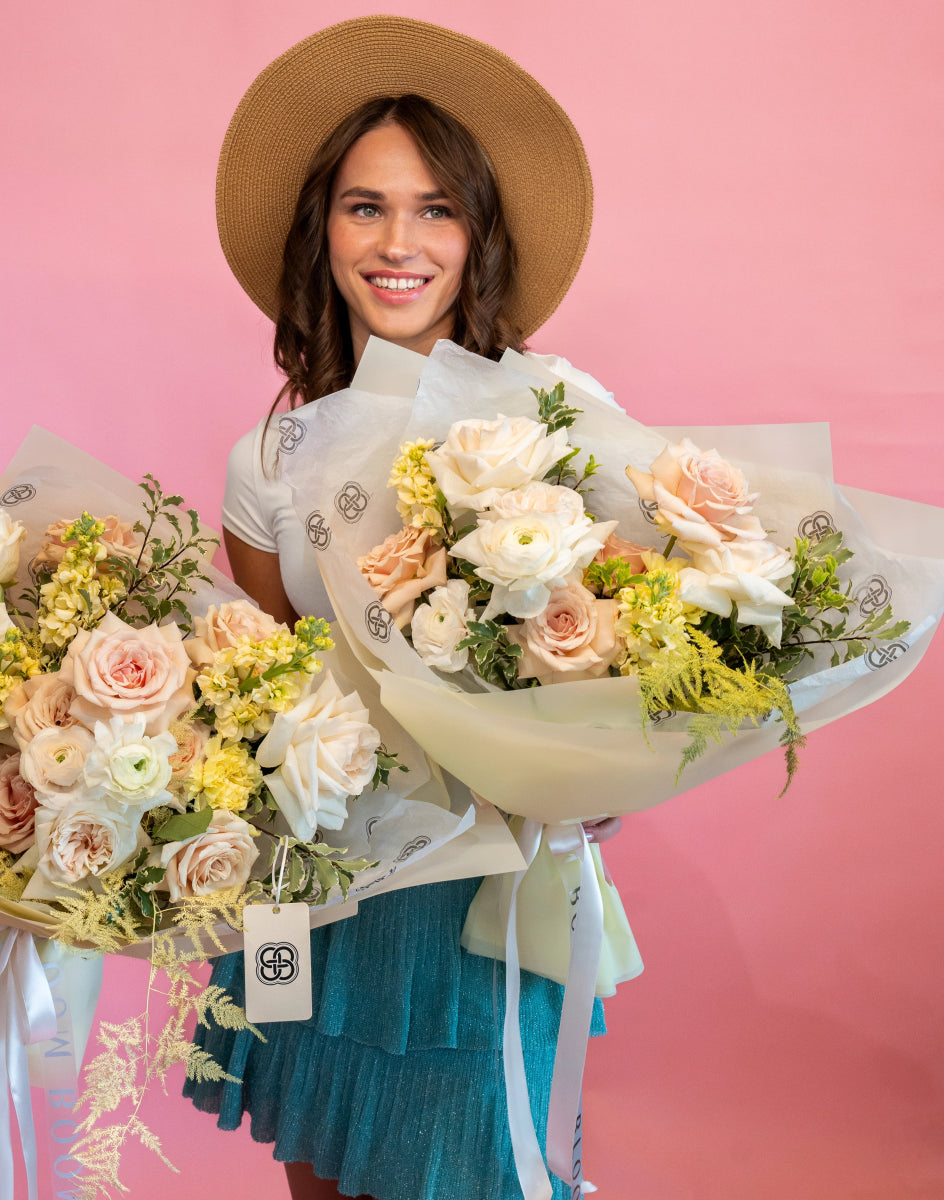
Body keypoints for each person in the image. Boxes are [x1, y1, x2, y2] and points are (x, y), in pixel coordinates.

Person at [185, 17, 620, 1200]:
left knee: (480, 1163)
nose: (398, 242)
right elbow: (263, 691)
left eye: (436, 208)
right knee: (313, 1144)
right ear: (320, 229)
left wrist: (586, 776)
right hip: (318, 881)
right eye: (365, 206)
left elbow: (629, 643)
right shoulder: (268, 456)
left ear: (477, 234)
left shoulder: (558, 408)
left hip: (484, 882)